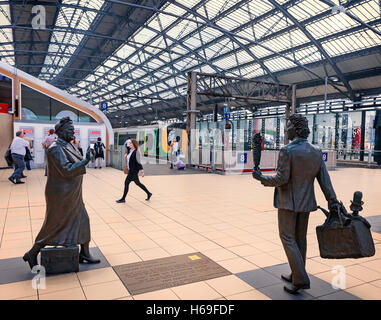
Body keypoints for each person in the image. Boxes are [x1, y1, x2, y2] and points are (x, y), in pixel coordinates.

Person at [252, 114, 338, 294]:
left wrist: (261, 178)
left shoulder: (287, 150)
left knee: (287, 238)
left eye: (288, 125)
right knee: (300, 240)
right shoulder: (316, 151)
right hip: (306, 203)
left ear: (296, 128)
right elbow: (324, 179)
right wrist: (332, 200)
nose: (286, 129)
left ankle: (300, 279)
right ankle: (297, 273)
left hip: (288, 203)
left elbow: (281, 179)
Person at [23, 117, 100, 270]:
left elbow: (73, 163)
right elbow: (66, 170)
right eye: (70, 131)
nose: (73, 133)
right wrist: (85, 161)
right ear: (61, 132)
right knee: (54, 224)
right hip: (61, 194)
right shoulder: (55, 148)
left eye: (73, 130)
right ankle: (32, 252)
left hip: (72, 192)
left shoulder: (67, 145)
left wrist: (85, 159)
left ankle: (84, 253)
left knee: (83, 219)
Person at [116, 138, 152, 203]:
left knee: (126, 183)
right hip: (131, 170)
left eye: (130, 143)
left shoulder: (136, 152)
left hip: (133, 171)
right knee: (138, 183)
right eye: (129, 143)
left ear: (133, 144)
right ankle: (149, 193)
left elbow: (138, 162)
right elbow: (128, 152)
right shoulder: (130, 150)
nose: (129, 144)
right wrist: (126, 155)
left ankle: (123, 199)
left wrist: (142, 171)